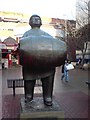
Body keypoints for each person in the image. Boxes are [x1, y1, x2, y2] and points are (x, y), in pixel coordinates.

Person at [19, 15, 66, 106]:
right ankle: (29, 96)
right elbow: (23, 47)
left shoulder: (47, 35)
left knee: (48, 80)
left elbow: (53, 47)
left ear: (41, 22)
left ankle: (47, 97)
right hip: (30, 65)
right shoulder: (26, 35)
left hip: (47, 65)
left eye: (38, 19)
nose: (36, 20)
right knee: (29, 81)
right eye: (33, 19)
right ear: (29, 22)